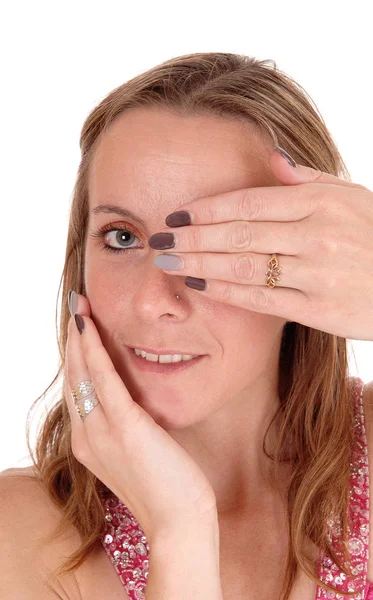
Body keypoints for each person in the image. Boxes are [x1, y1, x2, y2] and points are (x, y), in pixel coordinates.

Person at [1, 51, 373, 600]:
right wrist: (181, 532)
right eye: (122, 237)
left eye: (219, 247)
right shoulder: (22, 535)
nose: (156, 303)